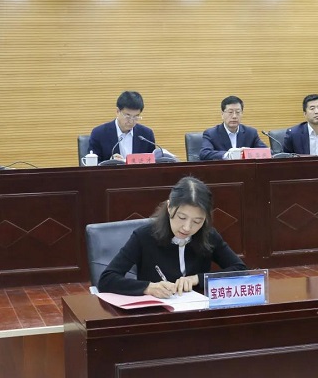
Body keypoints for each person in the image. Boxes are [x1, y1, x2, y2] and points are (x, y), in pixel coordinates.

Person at [98, 176, 247, 298]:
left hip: (197, 313)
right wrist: (148, 287)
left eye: (197, 221)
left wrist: (198, 278)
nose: (187, 228)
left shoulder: (208, 235)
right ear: (169, 207)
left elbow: (240, 270)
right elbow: (107, 279)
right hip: (156, 315)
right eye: (182, 217)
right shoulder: (144, 236)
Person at [89, 91, 156, 163]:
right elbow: (92, 164)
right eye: (128, 116)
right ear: (118, 111)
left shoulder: (146, 135)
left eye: (136, 117)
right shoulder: (99, 134)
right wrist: (109, 163)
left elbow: (152, 163)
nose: (131, 121)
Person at [199, 95, 268, 160]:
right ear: (222, 114)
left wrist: (248, 152)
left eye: (238, 112)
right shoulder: (211, 134)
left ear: (242, 113)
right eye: (230, 112)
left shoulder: (250, 133)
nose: (234, 116)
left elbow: (268, 152)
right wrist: (228, 155)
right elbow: (204, 154)